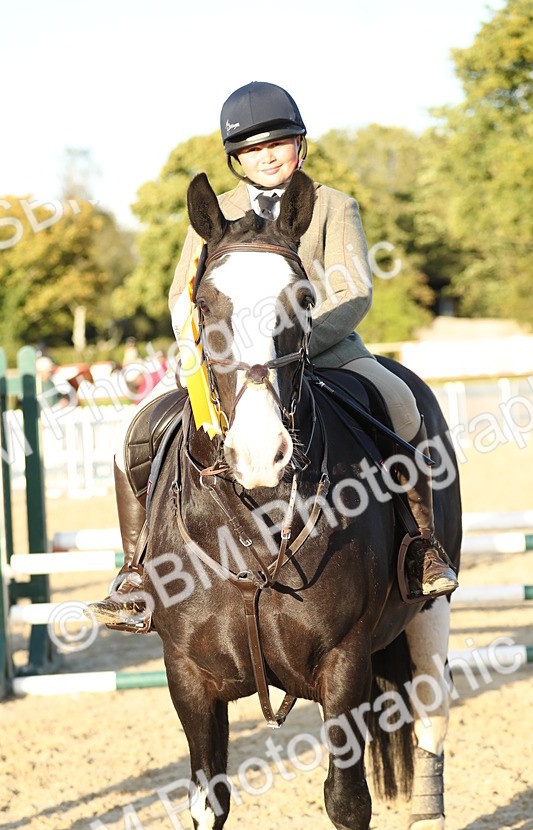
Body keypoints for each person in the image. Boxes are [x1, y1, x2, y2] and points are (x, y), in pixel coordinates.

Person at [91, 81, 457, 631]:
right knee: (130, 436)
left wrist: (295, 345)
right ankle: (136, 572)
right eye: (252, 149)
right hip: (230, 363)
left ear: (300, 145)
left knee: (402, 405)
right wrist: (200, 347)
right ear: (236, 159)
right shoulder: (215, 213)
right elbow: (181, 292)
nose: (267, 155)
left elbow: (353, 289)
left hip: (324, 352)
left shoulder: (334, 206)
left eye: (278, 143)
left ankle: (420, 547)